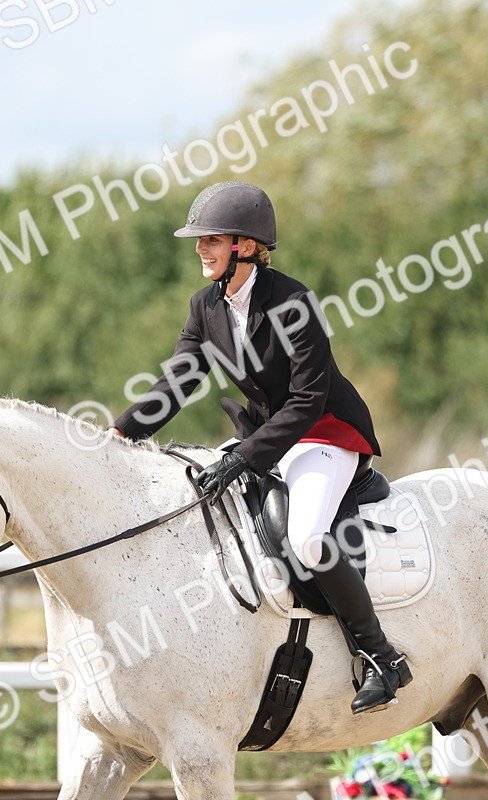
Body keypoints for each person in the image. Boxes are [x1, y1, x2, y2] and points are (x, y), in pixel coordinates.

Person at [111, 181, 412, 714]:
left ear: (245, 247)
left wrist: (244, 458)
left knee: (309, 537)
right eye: (199, 240)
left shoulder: (294, 302)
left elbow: (306, 399)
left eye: (211, 240)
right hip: (267, 433)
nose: (200, 249)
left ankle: (380, 655)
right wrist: (120, 434)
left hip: (325, 431)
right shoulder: (205, 305)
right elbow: (179, 381)